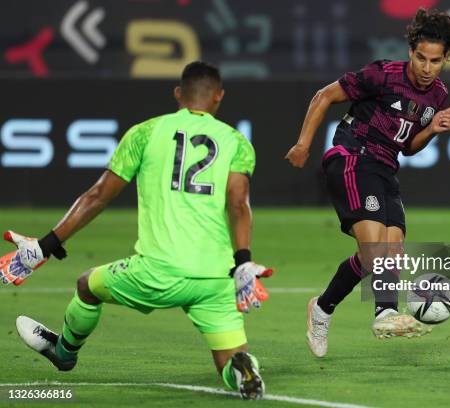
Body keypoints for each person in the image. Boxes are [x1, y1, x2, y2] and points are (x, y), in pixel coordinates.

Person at [1, 61, 272, 400]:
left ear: (178, 94)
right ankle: (244, 371)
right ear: (219, 96)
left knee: (87, 285)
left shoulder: (145, 133)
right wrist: (244, 261)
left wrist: (47, 244)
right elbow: (239, 204)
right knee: (226, 361)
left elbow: (97, 196)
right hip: (216, 277)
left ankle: (64, 353)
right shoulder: (236, 142)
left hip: (157, 271)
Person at [285, 8, 450, 357]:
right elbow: (324, 96)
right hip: (353, 155)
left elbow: (409, 147)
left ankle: (321, 308)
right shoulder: (382, 74)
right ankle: (385, 312)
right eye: (421, 58)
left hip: (386, 168)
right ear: (410, 51)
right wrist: (303, 143)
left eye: (436, 61)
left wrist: (430, 130)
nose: (427, 68)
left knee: (385, 252)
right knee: (374, 250)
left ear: (445, 59)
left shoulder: (438, 96)